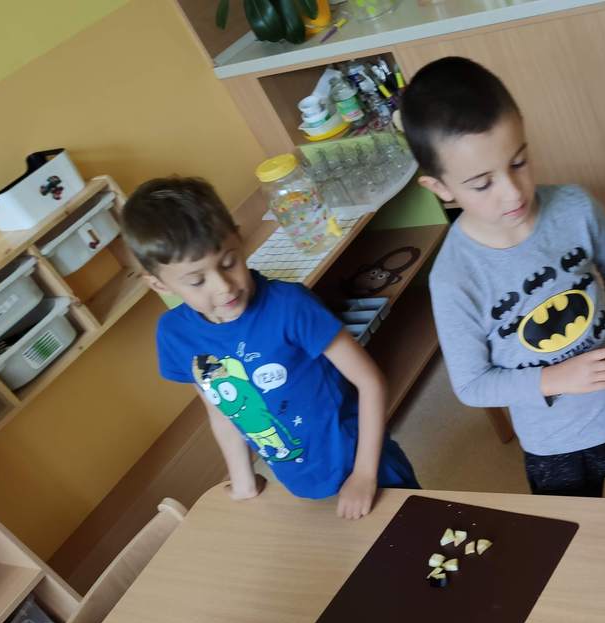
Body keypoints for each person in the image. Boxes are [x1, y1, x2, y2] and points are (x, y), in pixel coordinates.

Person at [401, 57, 605, 498]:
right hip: (554, 446)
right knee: (577, 536)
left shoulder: (574, 206)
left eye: (519, 161)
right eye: (482, 184)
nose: (512, 192)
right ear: (441, 189)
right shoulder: (453, 278)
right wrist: (556, 379)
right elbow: (472, 384)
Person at [123, 177, 417, 520]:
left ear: (238, 238)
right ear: (159, 284)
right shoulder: (175, 335)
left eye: (229, 262)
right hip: (299, 478)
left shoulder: (290, 305)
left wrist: (364, 475)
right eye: (197, 280)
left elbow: (369, 381)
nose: (223, 287)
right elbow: (221, 410)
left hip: (364, 462)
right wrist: (243, 481)